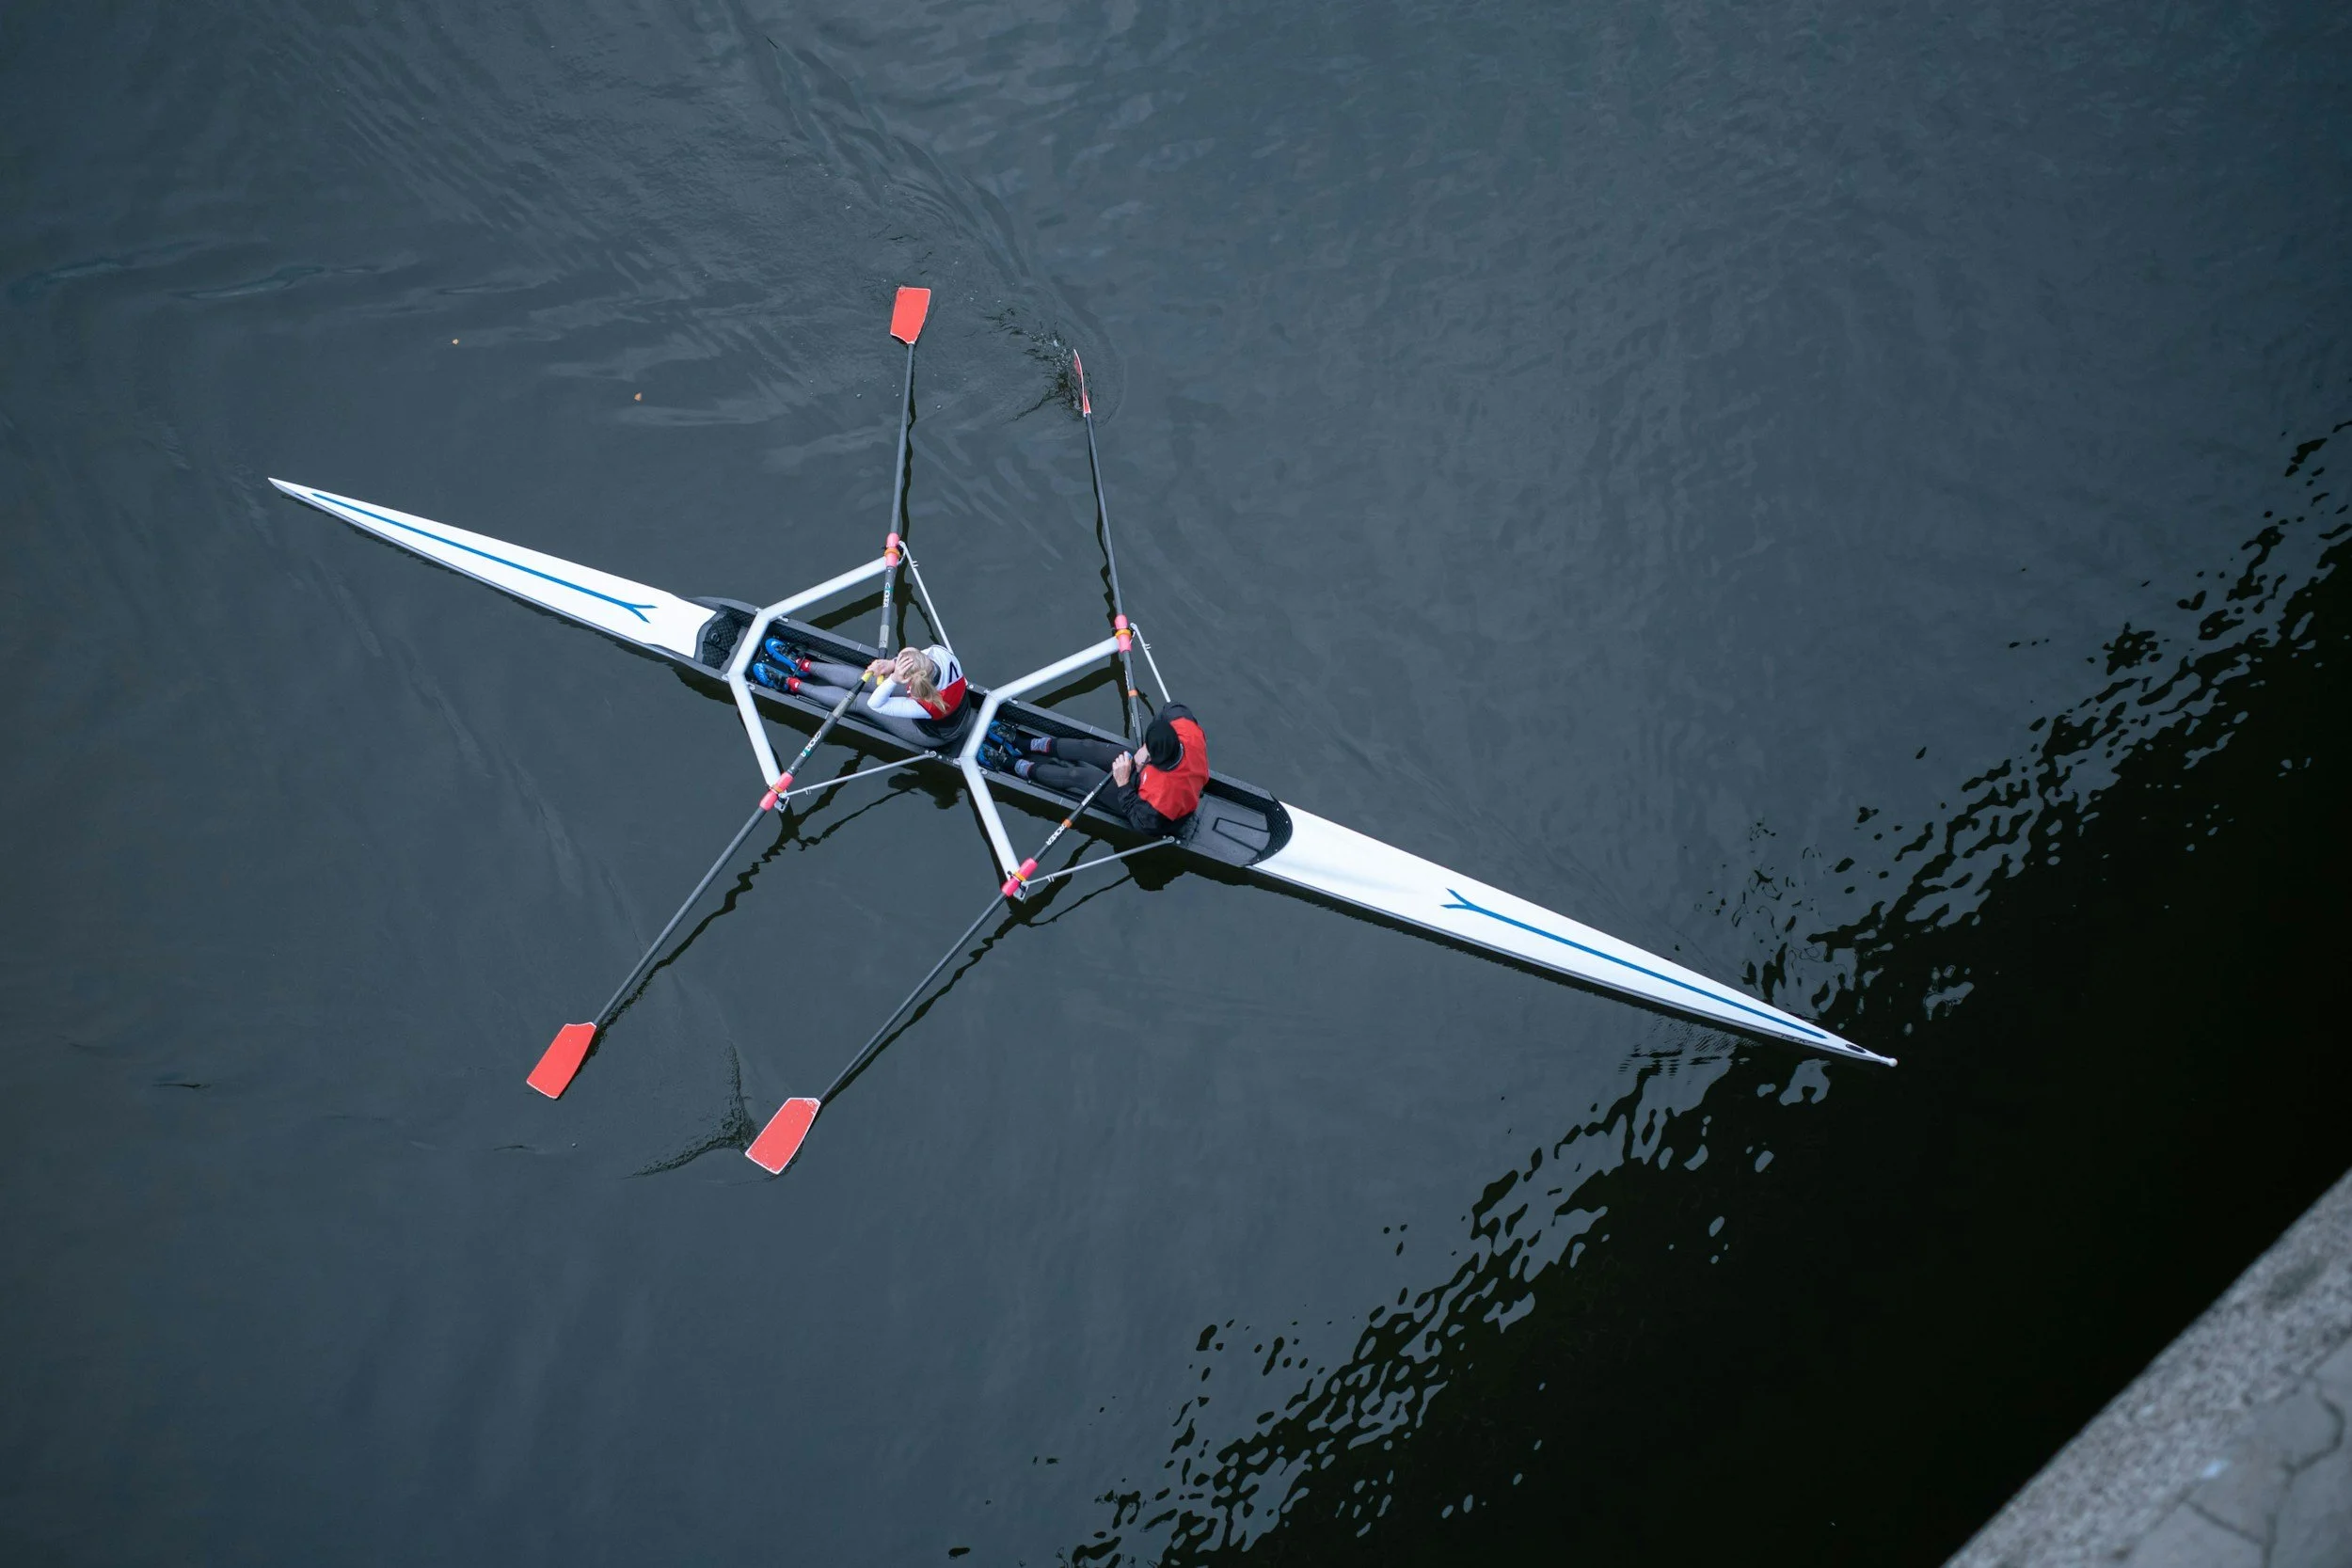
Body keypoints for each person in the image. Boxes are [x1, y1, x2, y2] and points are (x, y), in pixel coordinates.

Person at [990, 704, 1209, 837]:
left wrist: (1123, 784)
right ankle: (1025, 744)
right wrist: (1143, 750)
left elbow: (1141, 824)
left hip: (1151, 811)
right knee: (1089, 747)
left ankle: (1011, 765)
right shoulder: (1186, 729)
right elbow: (1169, 708)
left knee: (1081, 776)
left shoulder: (1163, 798)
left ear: (1157, 761)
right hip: (1154, 776)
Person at [755, 639, 973, 752]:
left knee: (859, 702)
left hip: (934, 733)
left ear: (911, 683)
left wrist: (893, 680)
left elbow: (876, 703)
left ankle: (792, 684)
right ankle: (804, 665)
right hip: (948, 703)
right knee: (865, 676)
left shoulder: (925, 704)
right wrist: (890, 665)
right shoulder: (939, 655)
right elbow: (915, 659)